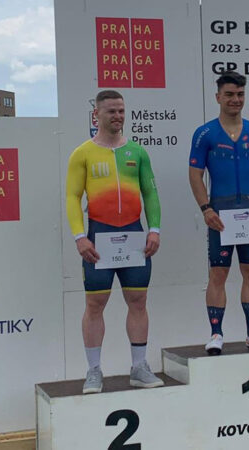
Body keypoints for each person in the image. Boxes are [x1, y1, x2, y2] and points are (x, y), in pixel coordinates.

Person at [66, 90, 164, 394]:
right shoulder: (82, 153)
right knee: (95, 304)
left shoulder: (137, 152)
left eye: (121, 110)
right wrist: (80, 237)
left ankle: (139, 367)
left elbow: (150, 193)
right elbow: (72, 197)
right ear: (96, 115)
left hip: (134, 235)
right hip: (99, 238)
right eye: (111, 111)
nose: (118, 116)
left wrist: (154, 230)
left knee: (138, 300)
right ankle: (94, 371)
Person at [189, 71, 249, 355]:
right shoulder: (205, 133)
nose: (235, 99)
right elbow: (195, 174)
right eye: (229, 94)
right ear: (218, 97)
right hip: (221, 212)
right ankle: (216, 334)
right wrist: (206, 209)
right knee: (218, 273)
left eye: (240, 94)